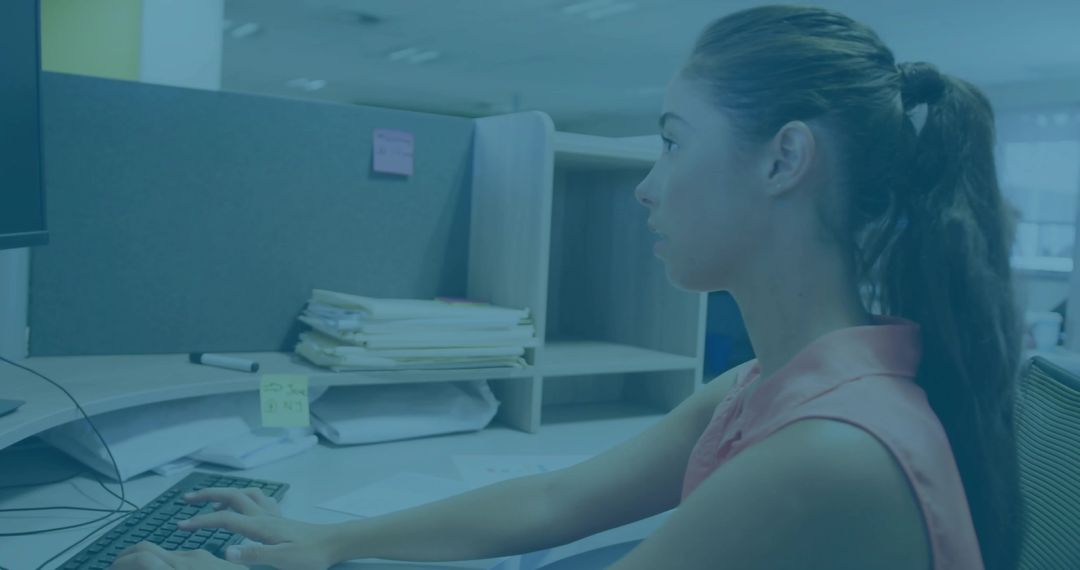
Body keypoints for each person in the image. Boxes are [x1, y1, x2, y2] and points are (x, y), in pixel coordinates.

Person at [113, 5, 1023, 569]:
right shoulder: (770, 389)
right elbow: (552, 503)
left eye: (672, 140)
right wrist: (334, 539)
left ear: (784, 159)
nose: (645, 184)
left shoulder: (829, 452)